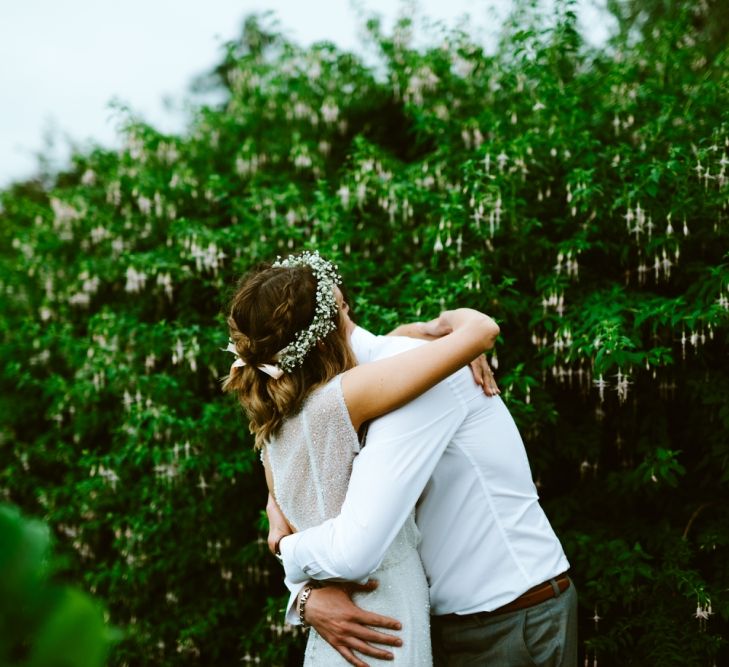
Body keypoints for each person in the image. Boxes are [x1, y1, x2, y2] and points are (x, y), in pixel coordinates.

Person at [223, 251, 500, 665]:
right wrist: (441, 329)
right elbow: (481, 330)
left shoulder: (271, 424)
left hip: (335, 631)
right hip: (382, 617)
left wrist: (414, 339)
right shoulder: (344, 398)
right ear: (323, 334)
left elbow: (386, 355)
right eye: (341, 314)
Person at [272, 315, 578, 667]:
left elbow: (357, 543)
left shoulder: (422, 375)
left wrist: (286, 549)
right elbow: (305, 506)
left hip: (509, 616)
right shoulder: (335, 402)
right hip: (439, 623)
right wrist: (304, 596)